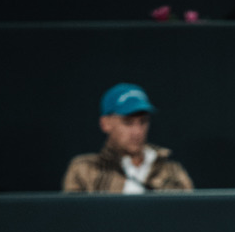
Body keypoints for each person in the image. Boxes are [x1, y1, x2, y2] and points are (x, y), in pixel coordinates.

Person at [62, 83, 193, 193]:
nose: (137, 131)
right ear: (105, 124)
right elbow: (74, 219)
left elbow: (189, 216)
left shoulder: (172, 170)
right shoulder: (84, 169)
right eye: (128, 122)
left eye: (143, 121)